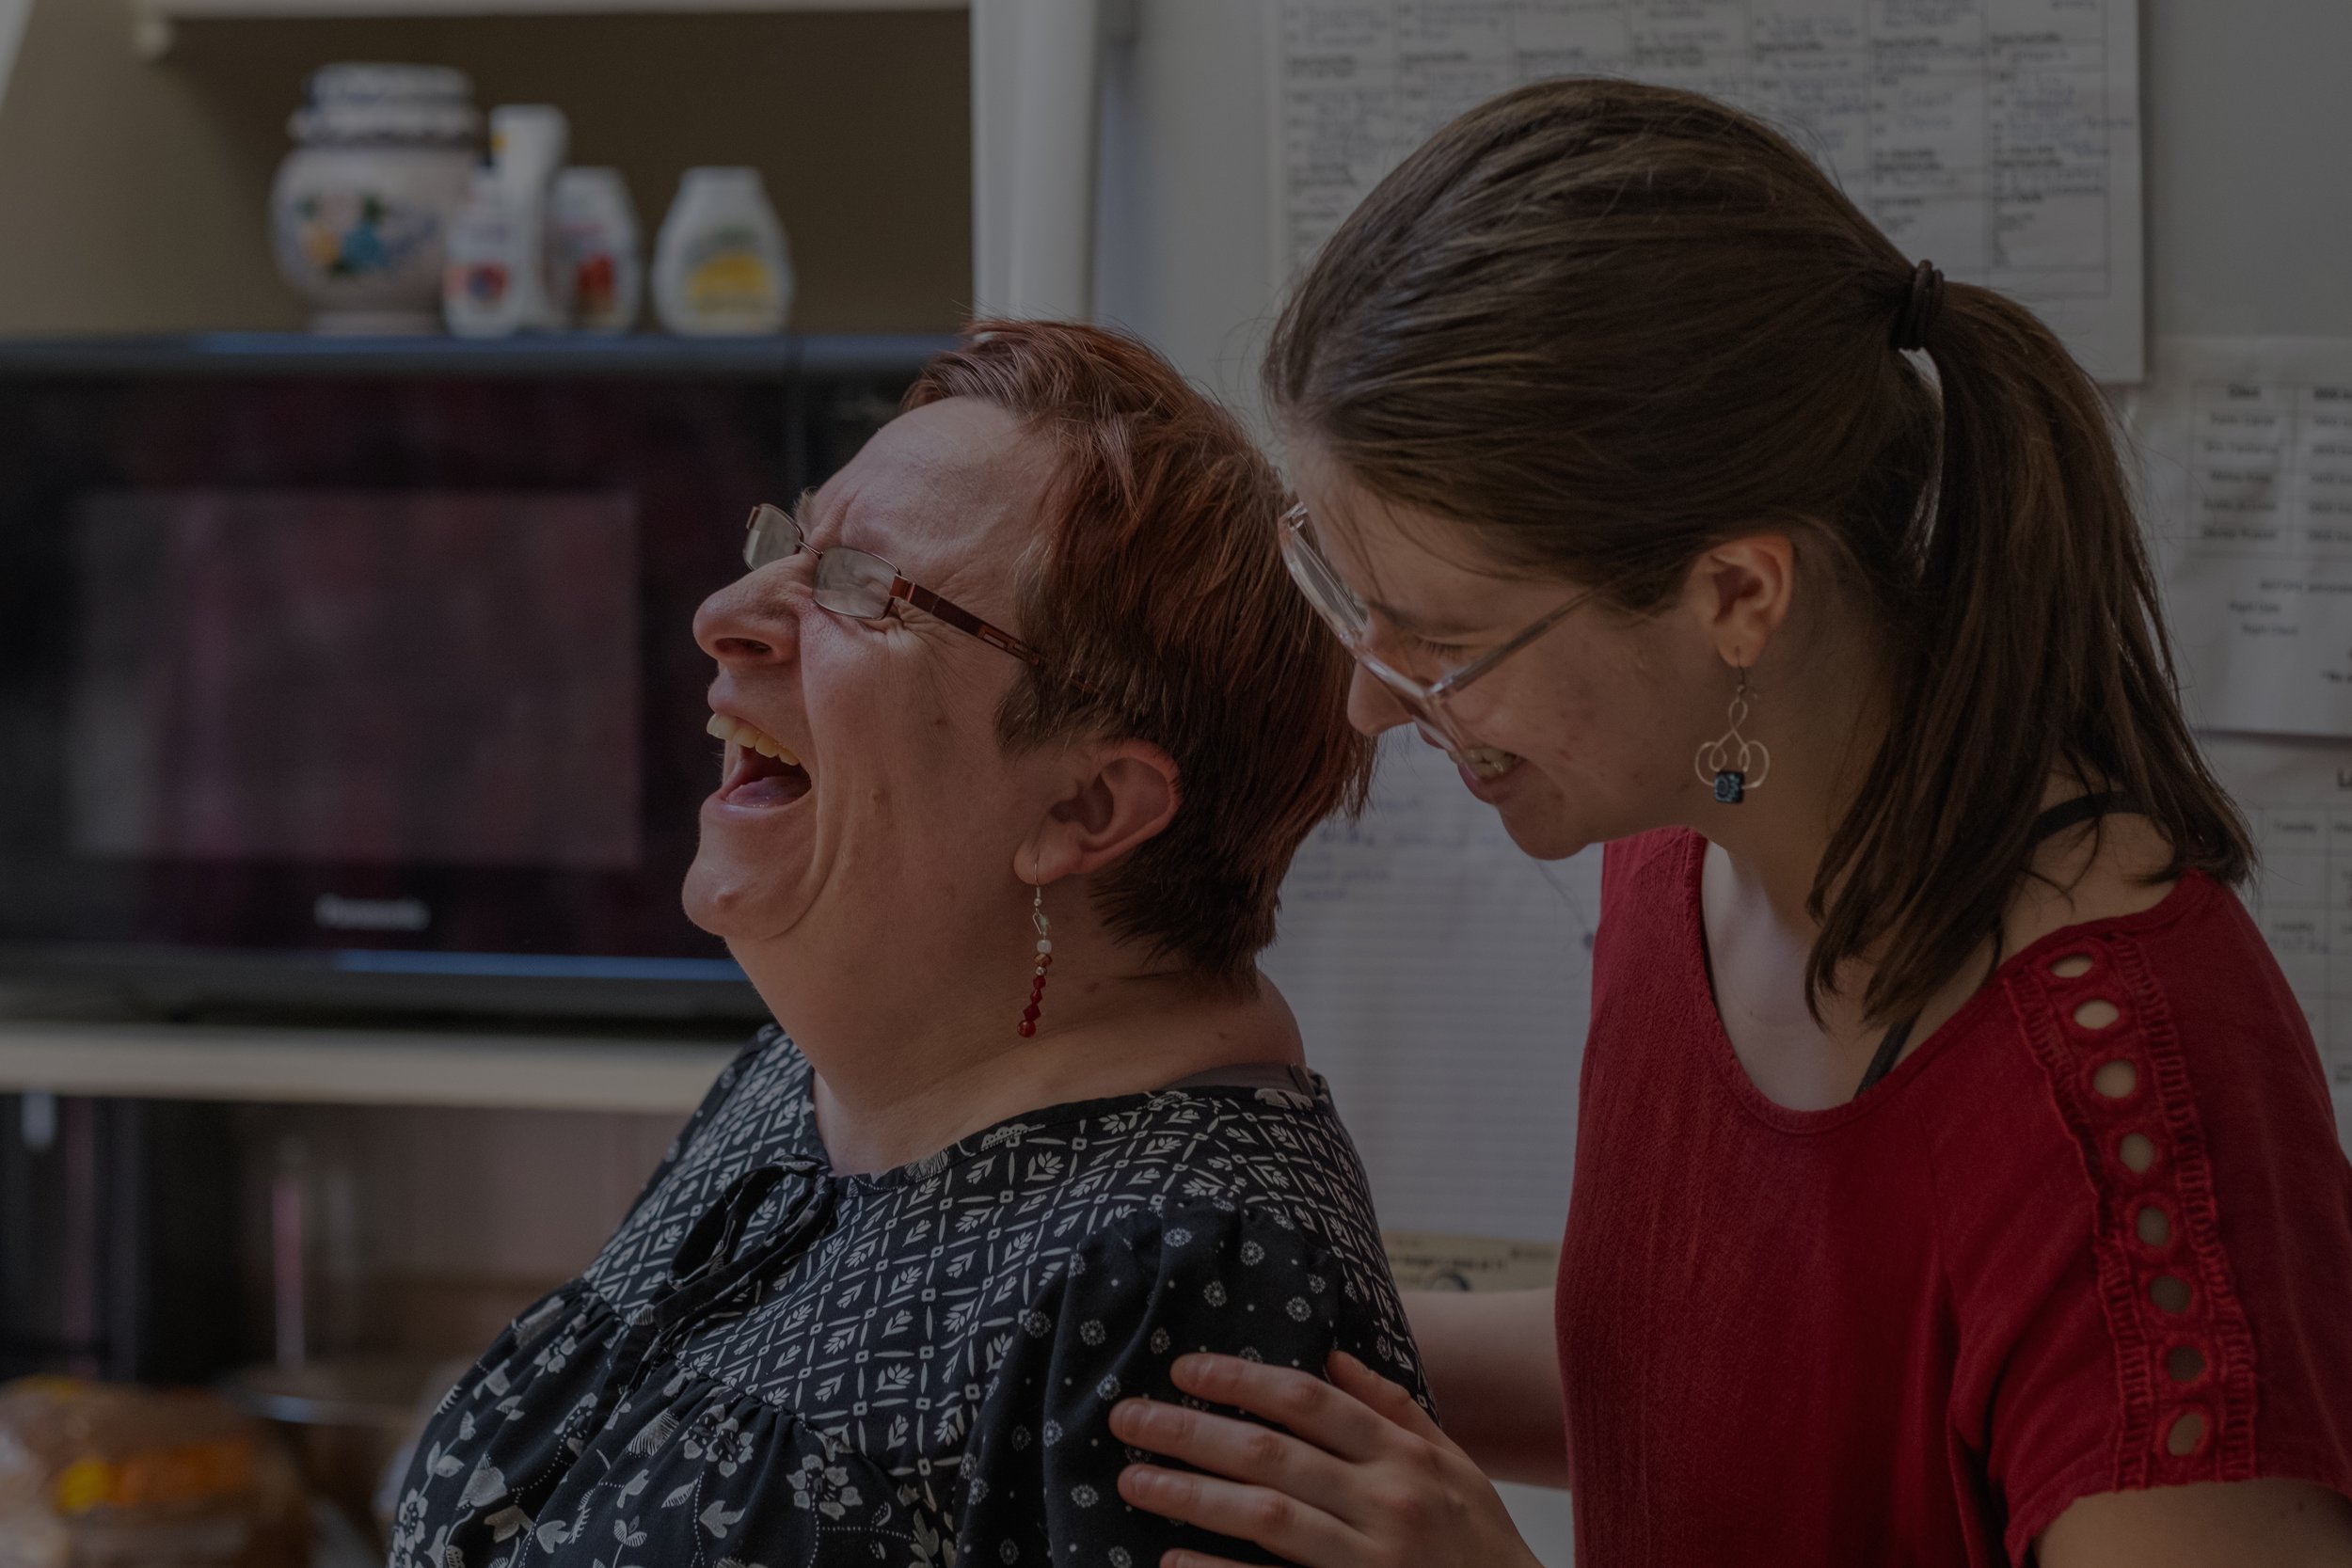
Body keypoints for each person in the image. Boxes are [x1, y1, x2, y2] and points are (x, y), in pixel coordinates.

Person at [1107, 77, 2352, 1567]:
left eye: (1441, 643)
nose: (1377, 708)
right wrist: (1229, 1348)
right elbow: (1706, 1384)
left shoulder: (2131, 1110)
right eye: (1347, 602)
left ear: (1737, 600)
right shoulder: (1679, 842)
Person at [384, 322, 1428, 1568]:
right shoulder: (812, 1079)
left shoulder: (1178, 1279)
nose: (725, 617)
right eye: (792, 547)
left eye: (860, 590)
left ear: (1084, 807)